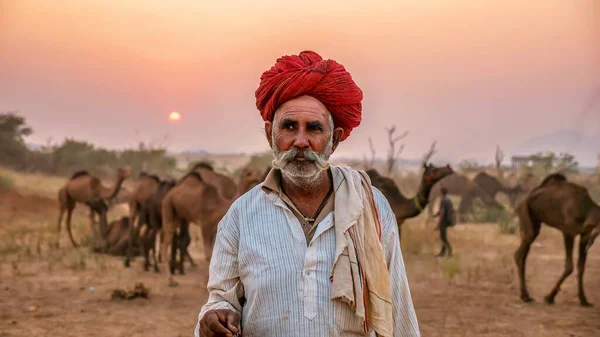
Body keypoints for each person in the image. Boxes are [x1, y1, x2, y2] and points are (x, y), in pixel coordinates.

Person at [194, 51, 420, 337]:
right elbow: (220, 301)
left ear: (334, 139)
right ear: (269, 134)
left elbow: (398, 309)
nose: (300, 141)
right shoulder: (240, 217)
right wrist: (213, 318)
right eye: (289, 127)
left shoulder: (370, 207)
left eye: (314, 128)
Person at [433, 187, 454, 257]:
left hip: (443, 222)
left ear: (442, 193)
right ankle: (443, 252)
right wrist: (436, 215)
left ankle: (448, 251)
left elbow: (442, 212)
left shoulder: (443, 201)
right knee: (443, 237)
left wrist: (438, 225)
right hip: (446, 221)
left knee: (443, 238)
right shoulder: (448, 200)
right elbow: (442, 211)